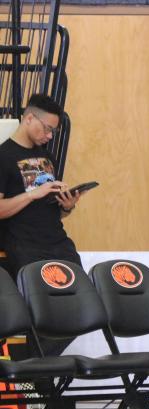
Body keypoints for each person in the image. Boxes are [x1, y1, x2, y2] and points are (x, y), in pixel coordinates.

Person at [0, 93, 82, 357]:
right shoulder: (3, 156)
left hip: (58, 243)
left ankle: (33, 372)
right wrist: (32, 194)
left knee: (81, 308)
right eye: (47, 129)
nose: (49, 136)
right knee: (40, 315)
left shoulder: (47, 158)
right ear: (28, 118)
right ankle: (33, 380)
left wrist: (66, 206)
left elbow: (49, 213)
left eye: (53, 132)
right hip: (25, 246)